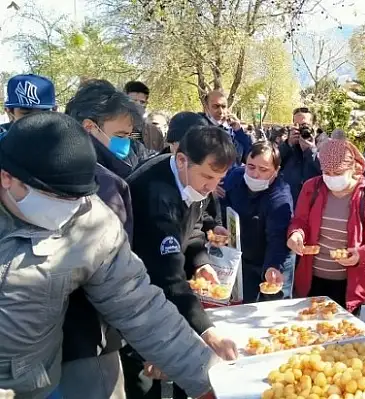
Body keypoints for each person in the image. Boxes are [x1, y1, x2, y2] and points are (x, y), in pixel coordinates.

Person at [0, 113, 221, 399]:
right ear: (7, 177)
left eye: (77, 197)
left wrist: (208, 378)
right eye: (56, 197)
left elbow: (138, 305)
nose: (69, 209)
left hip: (35, 381)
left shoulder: (92, 223)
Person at [124, 126, 239, 399]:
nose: (212, 187)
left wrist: (200, 262)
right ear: (181, 160)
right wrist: (209, 332)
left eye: (219, 178)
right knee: (144, 380)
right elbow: (168, 277)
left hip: (166, 293)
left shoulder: (192, 180)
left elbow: (195, 226)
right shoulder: (156, 195)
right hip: (135, 296)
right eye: (208, 177)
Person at [61, 85, 143, 399]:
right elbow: (115, 277)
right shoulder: (105, 186)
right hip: (88, 338)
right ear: (89, 128)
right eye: (121, 134)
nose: (126, 143)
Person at [287, 139, 365, 314]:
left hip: (347, 285)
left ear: (353, 168)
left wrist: (361, 254)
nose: (332, 178)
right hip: (312, 280)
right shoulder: (312, 188)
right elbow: (300, 221)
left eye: (338, 172)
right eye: (327, 172)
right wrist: (296, 234)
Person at [221, 141, 296, 303]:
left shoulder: (280, 197)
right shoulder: (235, 177)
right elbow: (224, 204)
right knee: (245, 305)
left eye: (263, 170)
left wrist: (273, 266)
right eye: (251, 166)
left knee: (274, 308)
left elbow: (277, 237)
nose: (254, 174)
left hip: (275, 258)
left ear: (276, 171)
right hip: (245, 256)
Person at [280, 107, 322, 202]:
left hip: (313, 202)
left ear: (314, 125)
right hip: (290, 201)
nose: (300, 128)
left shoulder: (325, 145)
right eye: (297, 125)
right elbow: (274, 162)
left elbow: (326, 170)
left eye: (304, 125)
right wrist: (289, 144)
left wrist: (310, 151)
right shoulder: (287, 146)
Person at [201, 90, 251, 164]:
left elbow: (250, 156)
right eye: (216, 106)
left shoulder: (233, 131)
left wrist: (239, 131)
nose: (220, 111)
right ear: (206, 107)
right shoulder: (198, 128)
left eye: (223, 107)